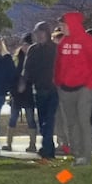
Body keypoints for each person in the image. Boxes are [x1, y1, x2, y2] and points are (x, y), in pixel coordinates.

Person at [53, 10, 92, 167]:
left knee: (83, 121)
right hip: (65, 89)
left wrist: (90, 85)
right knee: (71, 123)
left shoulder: (88, 42)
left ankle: (86, 156)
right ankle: (77, 155)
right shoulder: (63, 42)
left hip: (84, 88)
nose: (61, 28)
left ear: (72, 24)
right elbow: (59, 65)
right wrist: (57, 81)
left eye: (63, 25)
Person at [23, 20, 60, 159]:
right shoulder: (33, 49)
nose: (38, 35)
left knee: (49, 119)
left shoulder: (55, 49)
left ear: (47, 33)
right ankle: (48, 149)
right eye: (36, 33)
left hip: (54, 89)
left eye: (41, 32)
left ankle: (46, 147)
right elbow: (27, 68)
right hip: (39, 89)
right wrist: (24, 81)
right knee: (43, 121)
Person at [6, 33, 37, 152]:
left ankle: (32, 144)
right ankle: (9, 143)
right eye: (24, 44)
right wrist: (13, 90)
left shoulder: (34, 58)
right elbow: (12, 75)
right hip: (16, 94)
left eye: (28, 45)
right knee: (12, 118)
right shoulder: (16, 58)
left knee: (30, 119)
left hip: (29, 93)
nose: (25, 47)